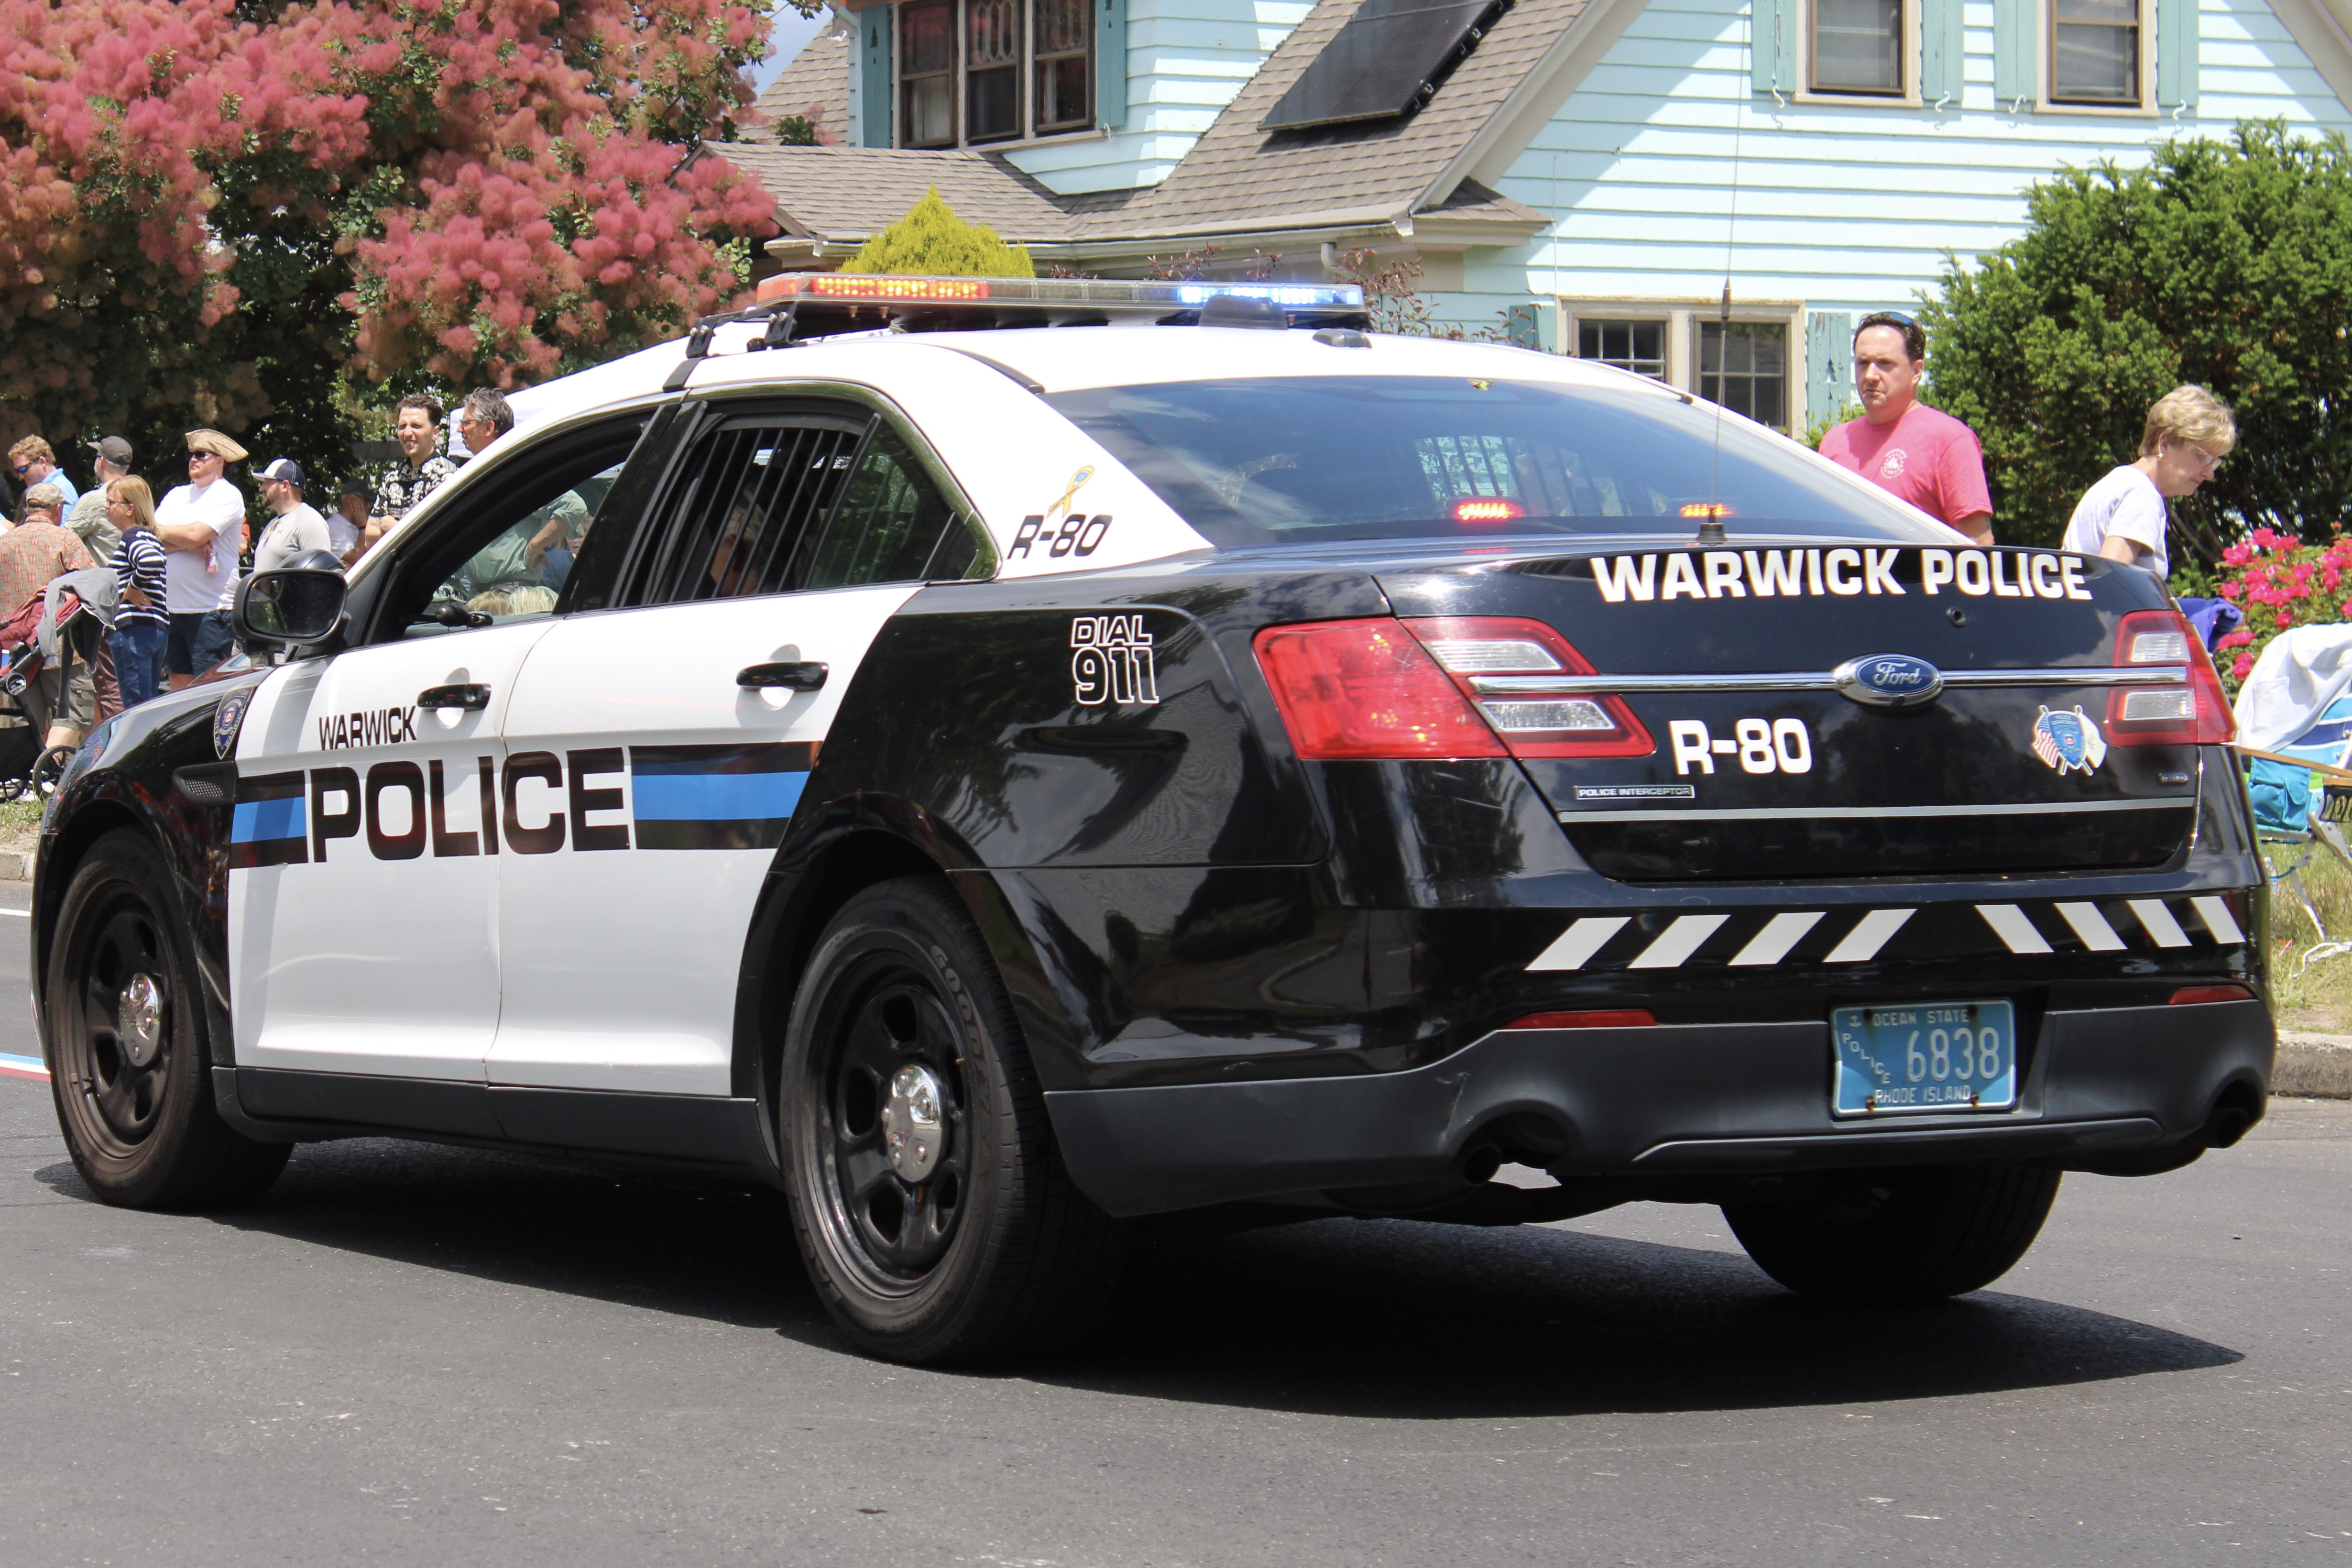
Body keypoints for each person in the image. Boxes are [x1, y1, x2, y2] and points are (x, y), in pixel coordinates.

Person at [1817, 312, 1995, 545]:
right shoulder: (1835, 442)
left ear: (1917, 372)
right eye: (1863, 363)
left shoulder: (1949, 439)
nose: (1871, 375)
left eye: (1885, 364)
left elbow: (1978, 545)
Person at [2062, 385, 2236, 582]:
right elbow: (2109, 581)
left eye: (2215, 462)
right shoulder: (2141, 494)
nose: (2209, 474)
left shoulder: (2119, 481)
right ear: (2165, 444)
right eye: (2203, 457)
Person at [440, 388, 584, 611]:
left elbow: (573, 505)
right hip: (482, 598)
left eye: (466, 423)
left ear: (488, 428)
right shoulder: (477, 474)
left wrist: (537, 544)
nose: (460, 430)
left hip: (511, 603)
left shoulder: (517, 472)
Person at [0, 483, 98, 748]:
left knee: (24, 721)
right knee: (74, 714)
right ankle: (49, 771)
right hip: (62, 649)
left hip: (15, 651)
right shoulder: (65, 540)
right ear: (57, 509)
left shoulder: (3, 543)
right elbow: (93, 586)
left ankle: (29, 778)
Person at [154, 428, 249, 690]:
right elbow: (152, 538)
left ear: (220, 461)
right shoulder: (176, 495)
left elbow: (196, 533)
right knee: (178, 690)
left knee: (208, 691)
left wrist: (183, 538)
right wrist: (189, 544)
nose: (193, 460)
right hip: (173, 609)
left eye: (201, 455)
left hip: (211, 610)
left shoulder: (227, 494)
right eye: (190, 455)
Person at [349, 394, 458, 564]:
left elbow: (428, 542)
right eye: (402, 426)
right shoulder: (393, 479)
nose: (407, 433)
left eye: (416, 426)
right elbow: (370, 538)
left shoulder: (447, 477)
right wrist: (401, 529)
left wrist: (389, 525)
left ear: (435, 433)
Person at [104, 476, 170, 710]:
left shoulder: (133, 536)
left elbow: (151, 561)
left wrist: (131, 588)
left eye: (112, 503)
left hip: (134, 630)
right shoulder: (149, 536)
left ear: (130, 508)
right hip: (154, 629)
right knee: (148, 703)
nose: (107, 507)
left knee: (136, 708)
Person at [251, 458, 336, 573]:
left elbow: (321, 576)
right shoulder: (273, 523)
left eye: (267, 482)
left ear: (285, 486)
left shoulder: (309, 521)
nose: (261, 488)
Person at [63, 435, 129, 564]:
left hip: (105, 581)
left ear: (102, 462)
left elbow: (64, 540)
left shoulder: (95, 500)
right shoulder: (139, 495)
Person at [8, 436, 78, 515]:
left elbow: (63, 527)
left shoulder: (59, 489)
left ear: (42, 462)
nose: (21, 476)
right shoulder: (51, 488)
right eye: (18, 471)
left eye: (23, 469)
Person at [330, 481, 369, 557]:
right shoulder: (334, 527)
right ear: (349, 499)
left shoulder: (357, 526)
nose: (369, 506)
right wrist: (364, 528)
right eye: (366, 500)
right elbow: (357, 559)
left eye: (372, 502)